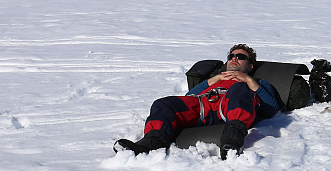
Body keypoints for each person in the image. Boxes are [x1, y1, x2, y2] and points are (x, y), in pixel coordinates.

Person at [114, 44, 280, 159]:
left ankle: (231, 142)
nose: (234, 59)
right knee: (163, 104)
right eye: (231, 56)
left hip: (231, 106)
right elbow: (189, 97)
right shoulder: (214, 79)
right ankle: (151, 143)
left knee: (239, 89)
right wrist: (213, 80)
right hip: (205, 106)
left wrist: (248, 81)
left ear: (250, 65)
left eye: (240, 57)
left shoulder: (255, 82)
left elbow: (271, 108)